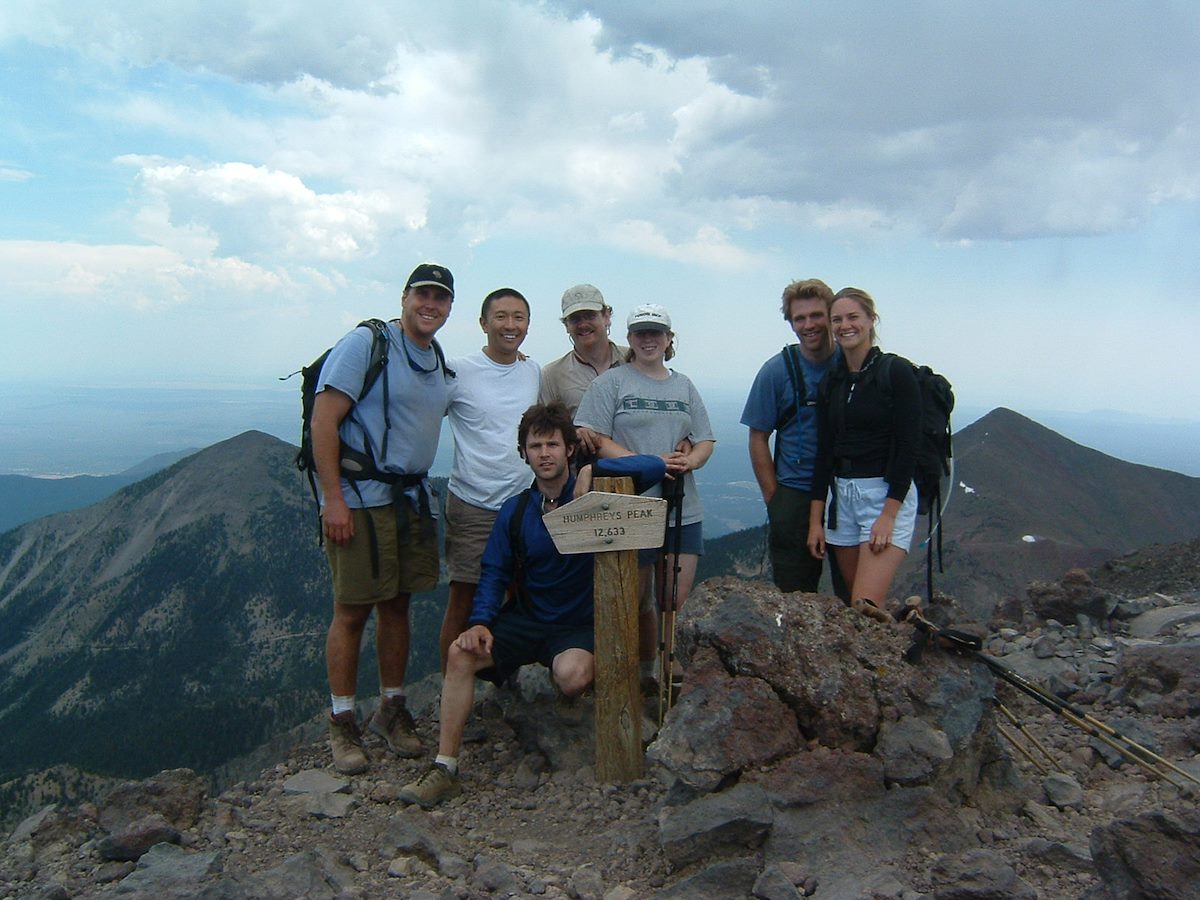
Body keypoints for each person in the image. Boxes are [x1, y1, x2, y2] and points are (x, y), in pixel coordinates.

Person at [398, 402, 665, 809]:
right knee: (460, 653)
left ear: (569, 449)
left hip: (578, 626)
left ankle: (571, 693)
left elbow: (653, 467)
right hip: (529, 619)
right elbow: (494, 571)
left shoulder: (594, 493)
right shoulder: (517, 510)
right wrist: (481, 622)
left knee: (572, 676)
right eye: (535, 445)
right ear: (524, 453)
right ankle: (444, 766)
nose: (544, 453)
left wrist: (597, 471)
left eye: (553, 444)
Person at [312, 263, 456, 774]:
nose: (430, 305)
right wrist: (333, 499)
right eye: (423, 294)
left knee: (398, 606)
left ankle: (391, 711)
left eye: (440, 298)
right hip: (360, 497)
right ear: (404, 297)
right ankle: (342, 721)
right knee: (352, 610)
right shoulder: (366, 344)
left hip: (411, 499)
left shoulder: (435, 357)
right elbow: (323, 419)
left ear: (449, 306)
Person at [574, 304, 715, 693]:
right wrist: (651, 463)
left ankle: (662, 673)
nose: (649, 339)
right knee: (632, 602)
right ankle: (630, 676)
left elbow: (705, 439)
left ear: (670, 339)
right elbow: (595, 438)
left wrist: (690, 461)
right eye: (641, 333)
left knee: (673, 600)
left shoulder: (684, 385)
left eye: (657, 332)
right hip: (628, 507)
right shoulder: (611, 383)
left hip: (680, 506)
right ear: (630, 339)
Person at [440, 288, 541, 669]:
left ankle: (503, 679)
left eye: (518, 317)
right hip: (473, 503)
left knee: (518, 594)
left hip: (523, 505)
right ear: (483, 323)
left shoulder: (532, 370)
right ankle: (450, 688)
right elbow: (422, 412)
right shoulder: (457, 371)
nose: (510, 325)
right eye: (501, 317)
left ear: (528, 325)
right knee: (465, 597)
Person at [806, 287, 921, 623]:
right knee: (854, 605)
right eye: (837, 319)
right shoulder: (834, 381)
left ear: (871, 320)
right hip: (842, 502)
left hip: (883, 497)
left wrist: (888, 515)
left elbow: (908, 447)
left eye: (853, 317)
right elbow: (824, 454)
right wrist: (816, 522)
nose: (845, 326)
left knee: (863, 608)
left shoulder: (896, 372)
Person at [741, 278, 845, 596]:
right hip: (795, 492)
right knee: (795, 594)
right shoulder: (776, 371)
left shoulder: (850, 362)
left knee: (854, 592)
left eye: (816, 315)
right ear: (790, 323)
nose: (808, 324)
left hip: (847, 491)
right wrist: (775, 499)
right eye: (800, 318)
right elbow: (758, 436)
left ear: (830, 315)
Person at [537, 284, 627, 461]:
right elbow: (544, 432)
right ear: (566, 325)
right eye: (575, 319)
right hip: (581, 479)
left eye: (590, 316)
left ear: (606, 316)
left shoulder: (632, 360)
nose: (583, 324)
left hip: (642, 476)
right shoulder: (553, 374)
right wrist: (574, 433)